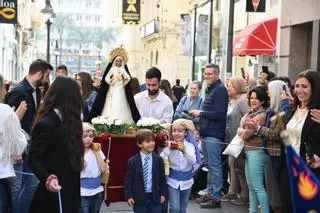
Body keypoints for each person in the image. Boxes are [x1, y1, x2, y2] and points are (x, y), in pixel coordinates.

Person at [27, 77, 84, 213]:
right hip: (52, 192)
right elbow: (33, 158)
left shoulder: (72, 121)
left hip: (70, 191)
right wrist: (47, 177)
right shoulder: (46, 124)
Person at [6, 59, 51, 213]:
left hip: (30, 147)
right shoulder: (19, 91)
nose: (46, 80)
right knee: (17, 187)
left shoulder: (36, 91)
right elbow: (7, 123)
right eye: (46, 76)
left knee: (31, 184)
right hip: (18, 150)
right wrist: (14, 149)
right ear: (39, 74)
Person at [189, 63, 228, 209]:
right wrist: (200, 129)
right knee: (210, 166)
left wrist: (200, 113)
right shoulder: (211, 89)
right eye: (205, 74)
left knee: (214, 166)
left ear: (217, 74)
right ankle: (210, 193)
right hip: (207, 133)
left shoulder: (220, 90)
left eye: (210, 74)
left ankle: (215, 197)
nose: (207, 76)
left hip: (214, 135)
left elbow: (219, 115)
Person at [89, 47, 140, 123]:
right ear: (115, 62)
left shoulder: (123, 69)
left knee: (121, 101)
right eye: (117, 61)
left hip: (121, 88)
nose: (119, 62)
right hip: (112, 88)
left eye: (120, 61)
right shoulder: (112, 69)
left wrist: (124, 82)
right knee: (111, 103)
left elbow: (128, 77)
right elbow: (106, 78)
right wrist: (110, 81)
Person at [238, 86, 269, 213]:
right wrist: (242, 130)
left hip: (257, 152)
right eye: (251, 98)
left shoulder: (261, 115)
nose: (253, 100)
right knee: (251, 186)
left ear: (262, 100)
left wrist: (241, 130)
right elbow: (239, 130)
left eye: (256, 98)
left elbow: (245, 134)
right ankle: (252, 211)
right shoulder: (250, 114)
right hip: (249, 151)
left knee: (258, 187)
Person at [0, 74, 28, 213]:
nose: (6, 92)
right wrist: (16, 119)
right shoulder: (4, 110)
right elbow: (17, 144)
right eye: (4, 88)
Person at [160, 119, 199, 213]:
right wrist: (167, 149)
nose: (176, 133)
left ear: (185, 133)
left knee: (182, 208)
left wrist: (185, 151)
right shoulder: (169, 145)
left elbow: (193, 161)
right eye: (174, 131)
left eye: (180, 131)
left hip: (187, 181)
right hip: (172, 180)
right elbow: (161, 159)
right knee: (174, 208)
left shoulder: (190, 146)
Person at [125, 129, 167, 213]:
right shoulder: (133, 161)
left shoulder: (158, 159)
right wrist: (129, 196)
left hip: (155, 197)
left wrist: (163, 194)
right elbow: (128, 180)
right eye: (147, 141)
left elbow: (162, 178)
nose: (151, 143)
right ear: (139, 144)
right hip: (139, 198)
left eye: (152, 140)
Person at [221, 77, 249, 205]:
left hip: (240, 139)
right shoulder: (234, 101)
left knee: (238, 166)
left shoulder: (243, 101)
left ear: (237, 87)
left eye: (230, 86)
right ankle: (234, 191)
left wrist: (242, 133)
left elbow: (248, 118)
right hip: (233, 138)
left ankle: (242, 193)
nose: (228, 88)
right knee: (233, 165)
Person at [80, 122, 108, 213]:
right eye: (85, 136)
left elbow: (103, 169)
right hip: (82, 192)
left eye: (91, 136)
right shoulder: (76, 152)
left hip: (97, 191)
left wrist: (97, 153)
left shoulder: (97, 150)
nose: (88, 139)